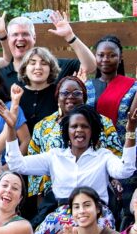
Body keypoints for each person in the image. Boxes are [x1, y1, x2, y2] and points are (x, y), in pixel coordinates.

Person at [3, 90, 137, 234]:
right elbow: (16, 164)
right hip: (63, 212)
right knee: (43, 232)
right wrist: (11, 129)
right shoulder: (55, 156)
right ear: (67, 131)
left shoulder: (103, 156)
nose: (79, 130)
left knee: (103, 229)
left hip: (96, 212)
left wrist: (130, 132)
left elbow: (125, 170)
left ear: (93, 131)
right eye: (74, 126)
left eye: (85, 126)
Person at [26, 74, 125, 223]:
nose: (70, 97)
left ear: (84, 97)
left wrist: (115, 181)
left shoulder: (103, 122)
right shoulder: (43, 126)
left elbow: (116, 155)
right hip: (55, 197)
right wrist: (41, 201)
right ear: (58, 97)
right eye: (65, 93)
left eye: (76, 93)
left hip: (93, 194)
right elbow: (34, 163)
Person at [0, 14, 97, 90]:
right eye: (15, 34)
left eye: (25, 34)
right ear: (8, 39)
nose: (20, 38)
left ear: (34, 38)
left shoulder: (56, 66)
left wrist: (70, 36)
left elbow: (90, 66)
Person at [86, 35, 137, 137]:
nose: (105, 59)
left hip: (125, 142)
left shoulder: (134, 87)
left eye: (112, 55)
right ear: (95, 57)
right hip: (91, 143)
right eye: (101, 55)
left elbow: (136, 116)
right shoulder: (86, 87)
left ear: (120, 58)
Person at [14, 47, 61, 133]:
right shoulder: (16, 94)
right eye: (32, 63)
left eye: (44, 63)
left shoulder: (59, 93)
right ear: (24, 69)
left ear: (51, 69)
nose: (38, 67)